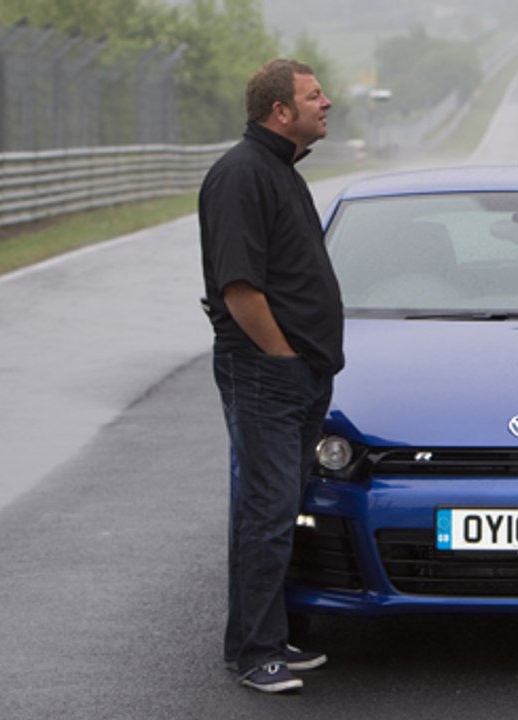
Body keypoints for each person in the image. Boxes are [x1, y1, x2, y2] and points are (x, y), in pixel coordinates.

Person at [198, 58, 344, 694]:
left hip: (299, 374)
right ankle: (258, 654)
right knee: (267, 509)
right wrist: (282, 359)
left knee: (278, 509)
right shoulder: (240, 175)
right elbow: (239, 287)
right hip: (265, 373)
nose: (328, 102)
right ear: (279, 111)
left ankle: (259, 637)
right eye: (315, 96)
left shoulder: (279, 170)